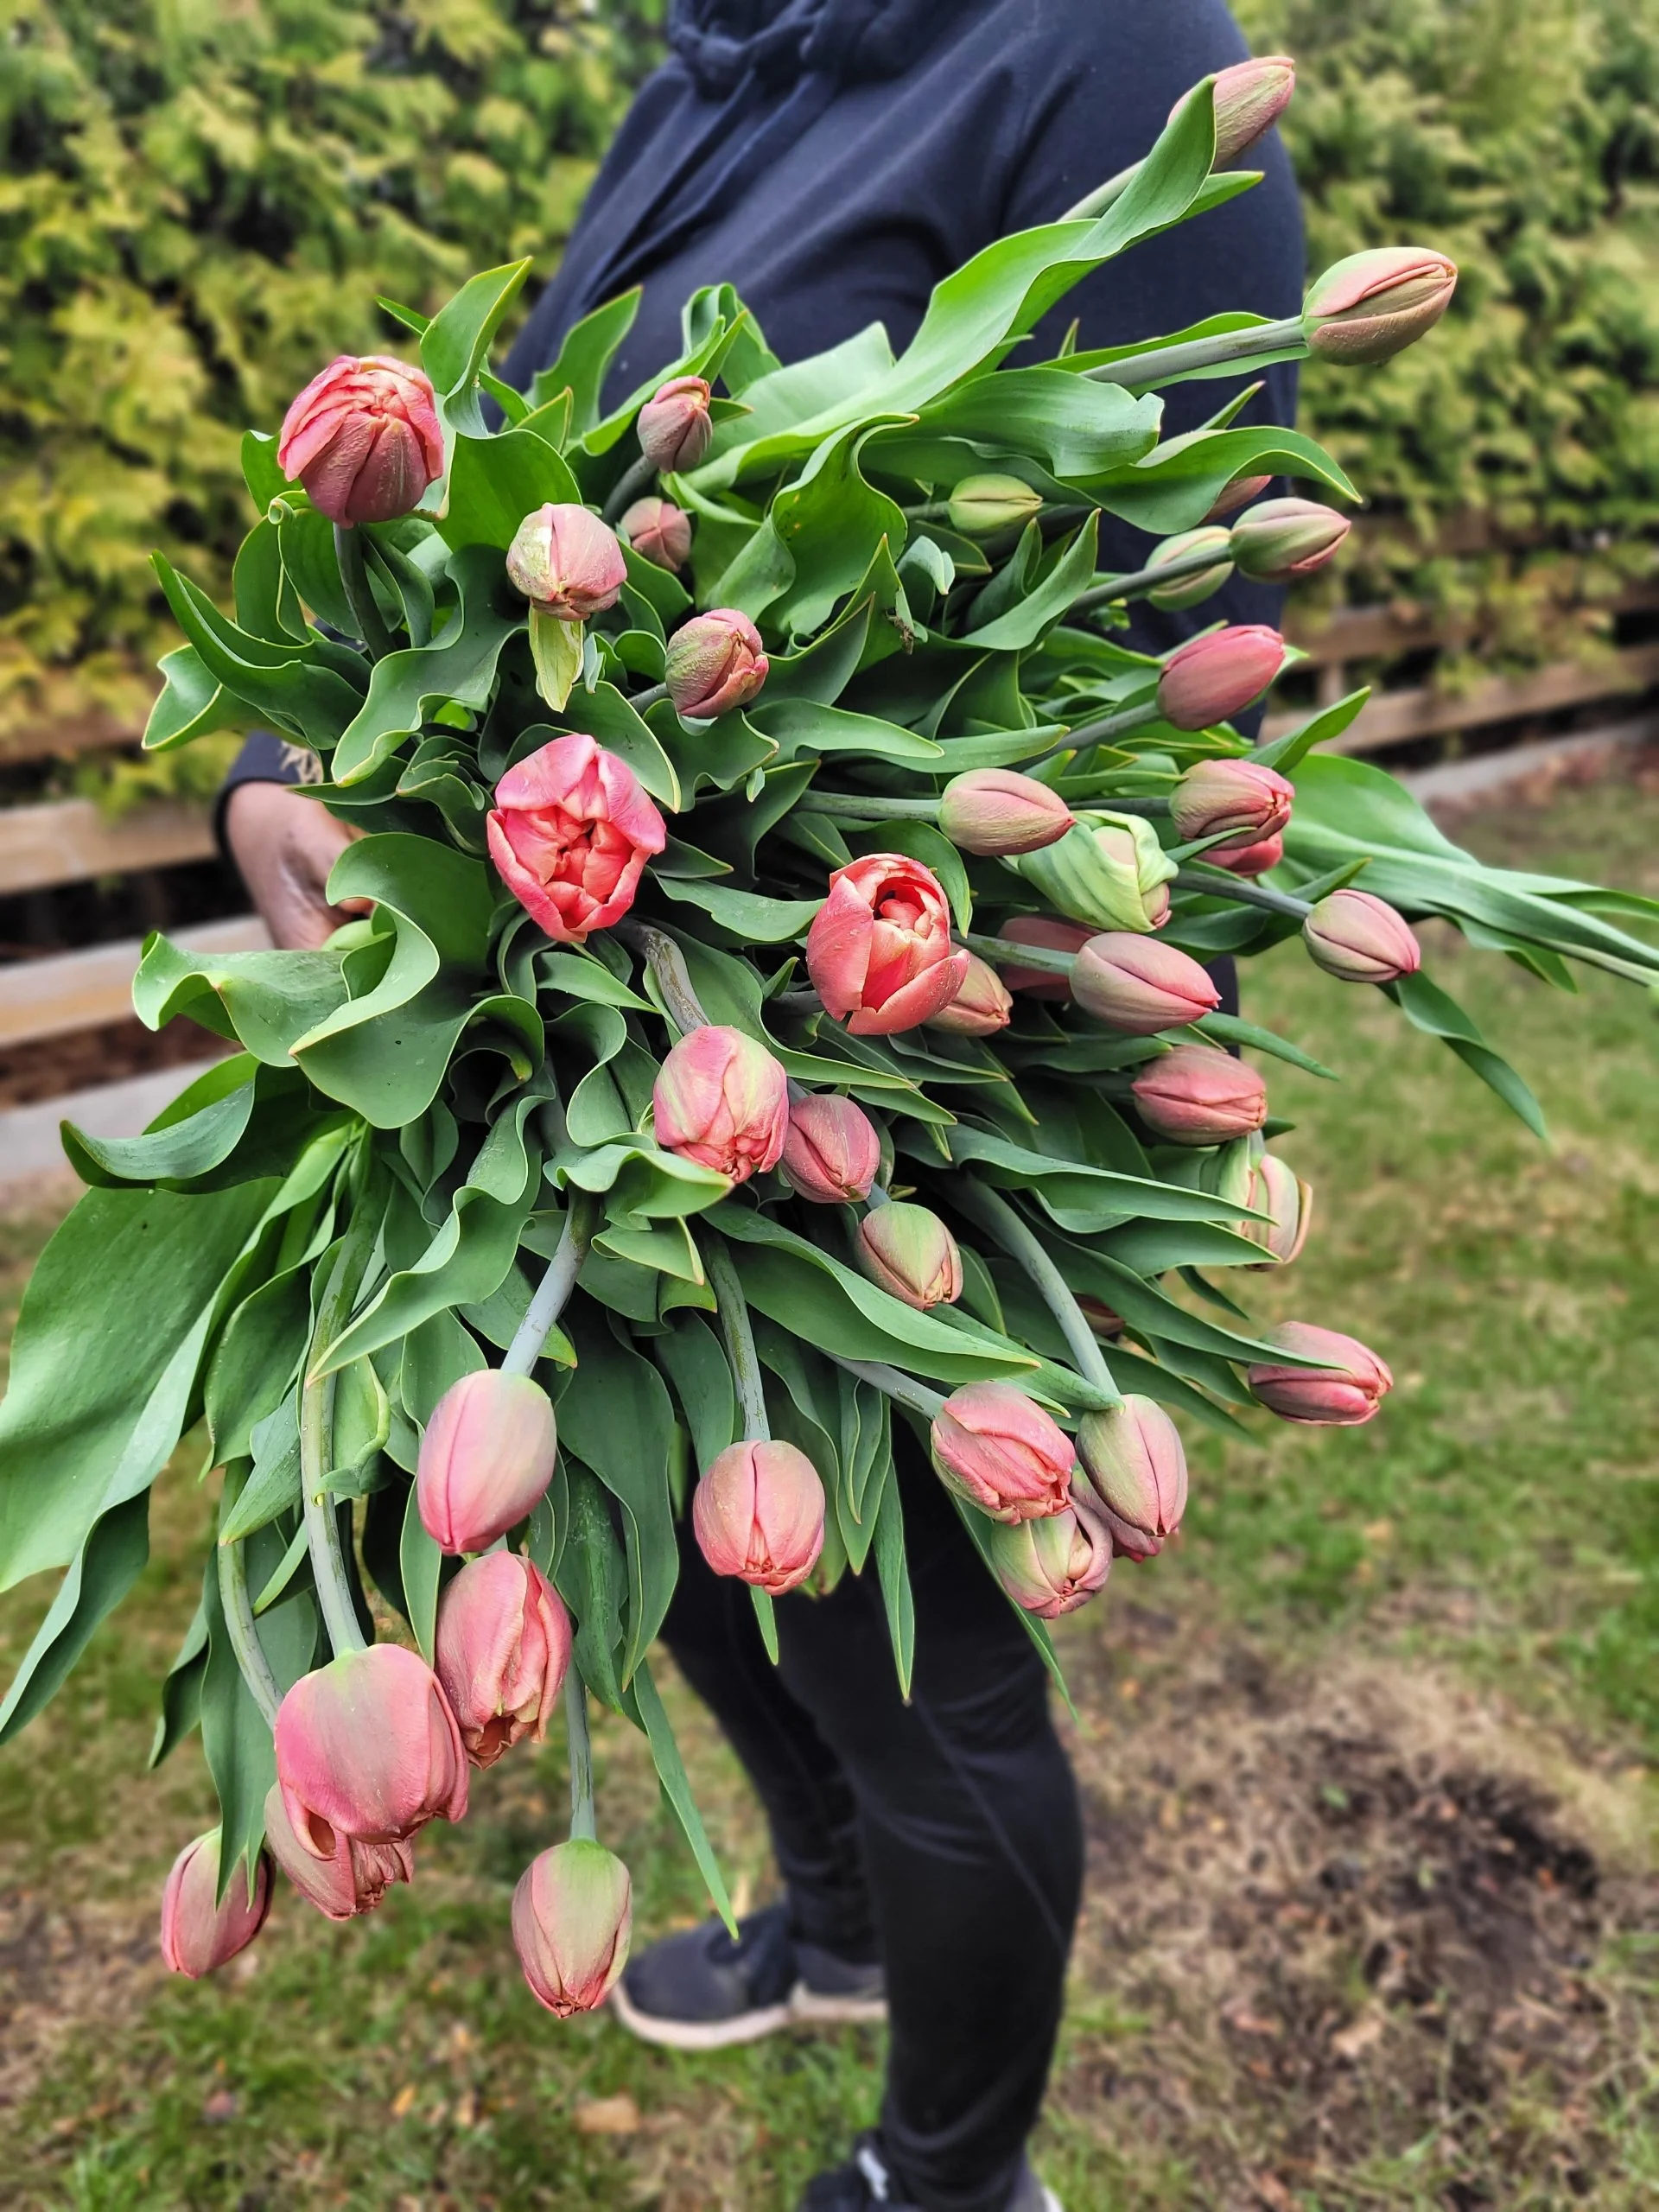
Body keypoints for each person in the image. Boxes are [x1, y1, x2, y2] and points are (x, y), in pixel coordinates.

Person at [223, 6, 1304, 2206]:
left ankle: (959, 2172)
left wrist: (861, 1001)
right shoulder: (712, 65)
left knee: (926, 1671)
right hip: (571, 1049)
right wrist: (296, 781)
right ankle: (820, 1921)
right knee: (678, 1548)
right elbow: (515, 491)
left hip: (872, 1079)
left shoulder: (1102, 51)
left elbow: (1168, 625)